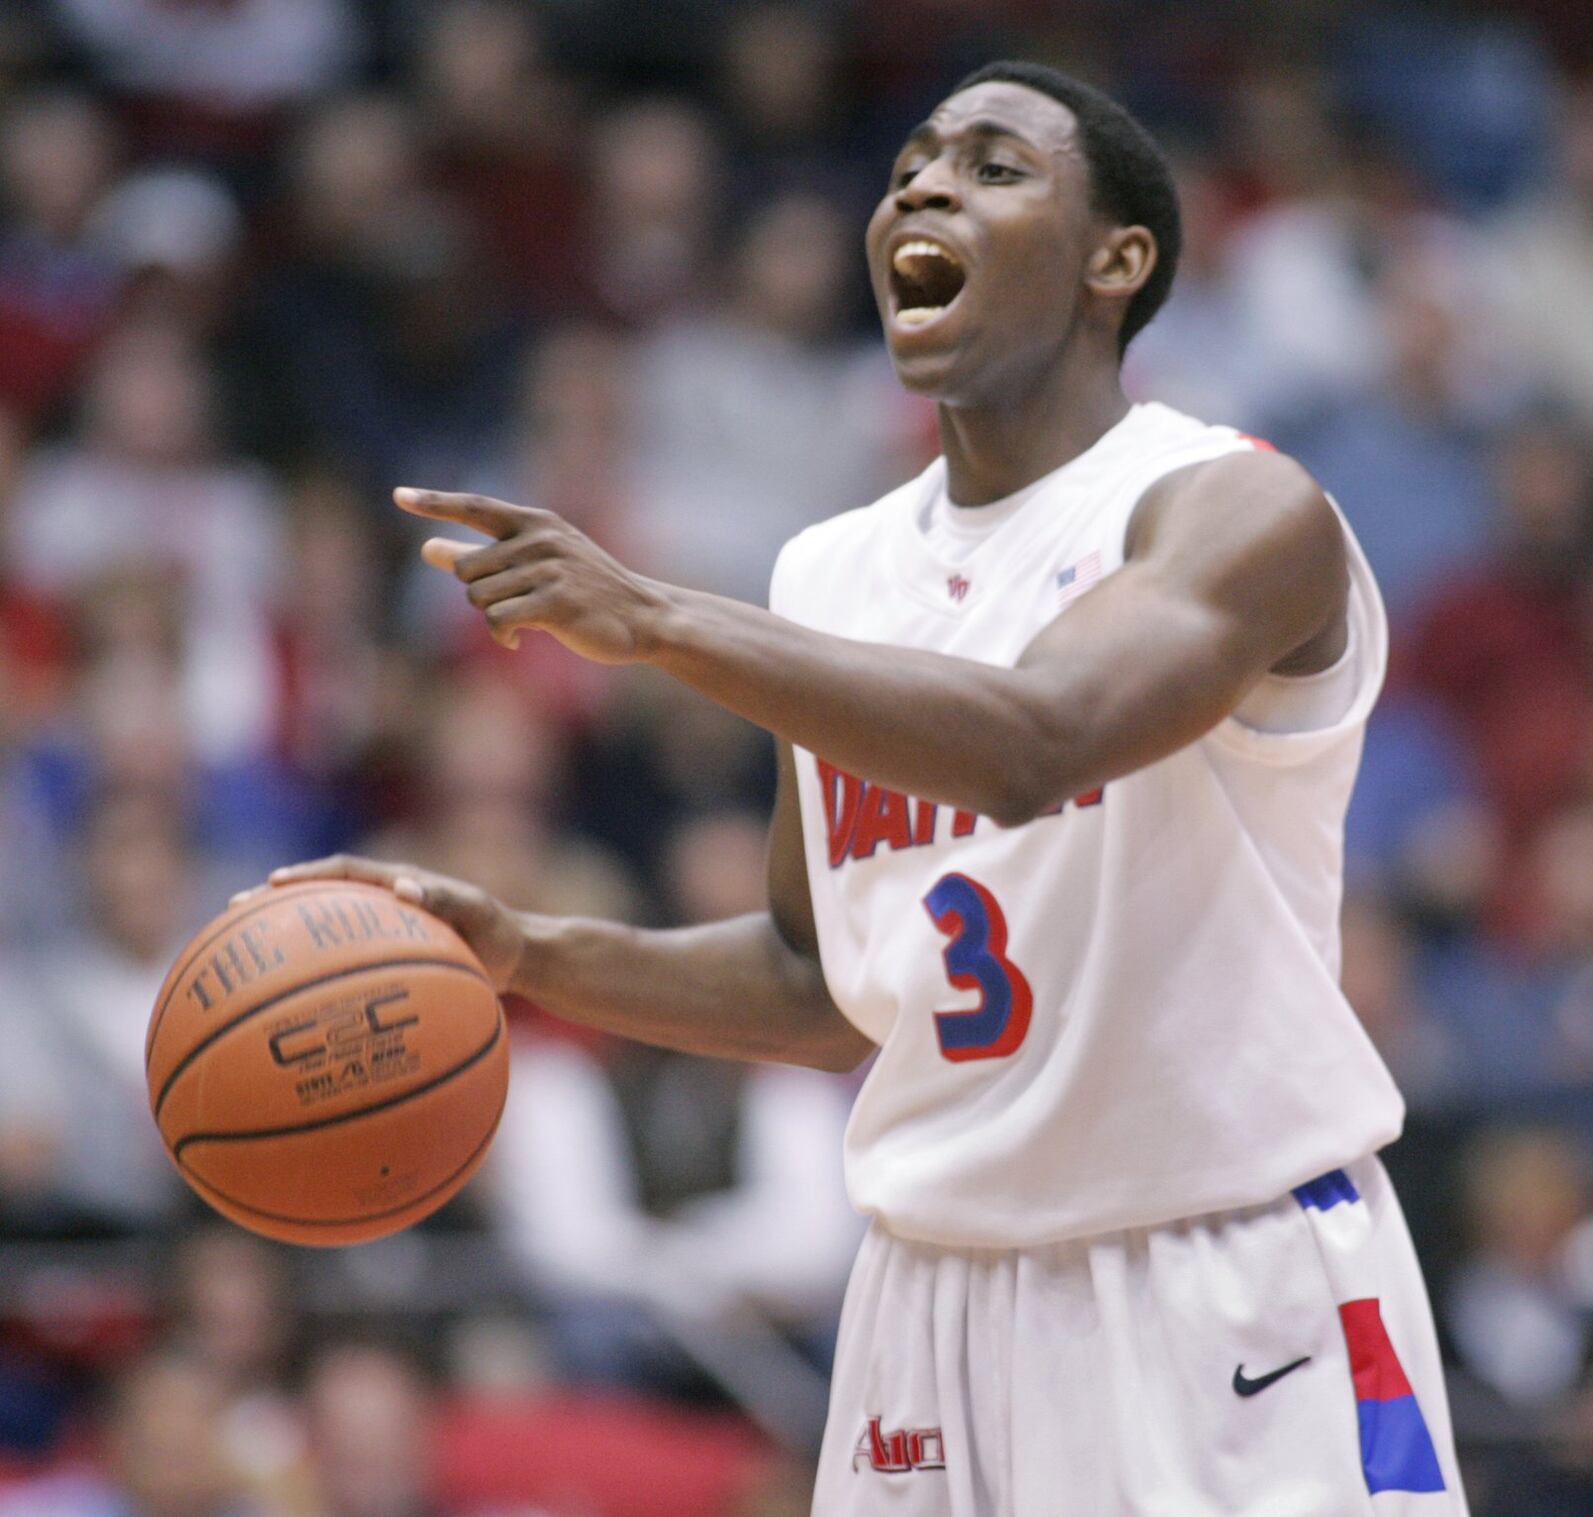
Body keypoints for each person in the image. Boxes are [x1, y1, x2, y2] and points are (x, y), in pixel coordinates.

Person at [264, 61, 1467, 1515]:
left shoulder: (1236, 509)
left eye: (993, 164)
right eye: (910, 163)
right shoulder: (828, 576)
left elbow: (1040, 737)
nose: (926, 185)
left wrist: (655, 622)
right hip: (929, 1299)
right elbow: (819, 977)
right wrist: (531, 952)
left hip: (1220, 1269)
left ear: (1118, 258)